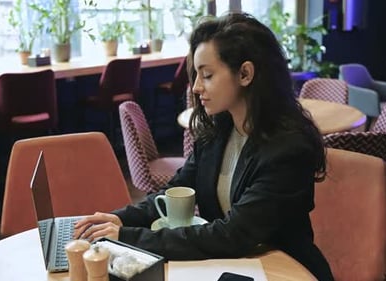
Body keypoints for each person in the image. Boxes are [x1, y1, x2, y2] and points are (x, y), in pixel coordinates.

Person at [74, 12, 333, 280]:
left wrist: (127, 237)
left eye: (207, 75)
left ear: (245, 73)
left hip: (284, 270)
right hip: (233, 267)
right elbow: (174, 191)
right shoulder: (219, 129)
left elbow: (232, 235)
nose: (196, 87)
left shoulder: (288, 149)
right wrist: (122, 220)